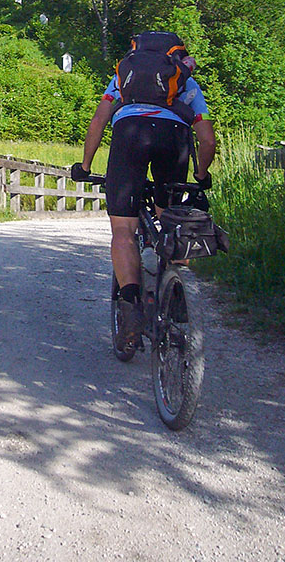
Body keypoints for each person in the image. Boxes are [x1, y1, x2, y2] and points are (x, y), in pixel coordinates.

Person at [71, 33, 216, 352]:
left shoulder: (123, 79)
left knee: (123, 231)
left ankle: (131, 305)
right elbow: (207, 140)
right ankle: (177, 295)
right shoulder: (186, 84)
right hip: (173, 140)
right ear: (175, 57)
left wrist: (84, 165)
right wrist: (201, 176)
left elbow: (98, 121)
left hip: (129, 137)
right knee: (172, 222)